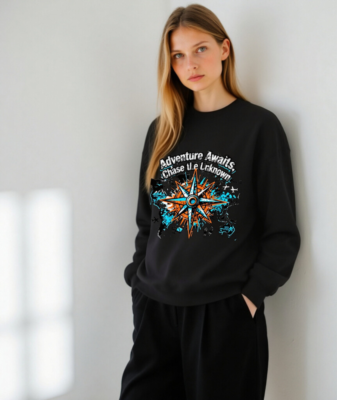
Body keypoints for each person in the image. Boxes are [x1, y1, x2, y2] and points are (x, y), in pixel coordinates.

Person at [119, 4, 301, 400]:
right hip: (155, 310)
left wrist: (249, 299)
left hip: (224, 314)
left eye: (200, 49)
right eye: (178, 55)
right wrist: (139, 283)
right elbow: (147, 221)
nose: (190, 64)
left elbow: (281, 232)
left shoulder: (259, 128)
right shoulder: (162, 130)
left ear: (224, 49)